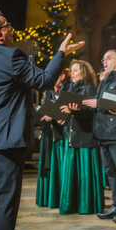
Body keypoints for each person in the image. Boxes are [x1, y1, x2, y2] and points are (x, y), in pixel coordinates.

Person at [0, 8, 84, 230]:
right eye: (8, 25)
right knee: (5, 202)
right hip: (5, 142)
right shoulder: (11, 57)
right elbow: (46, 80)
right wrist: (61, 52)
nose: (12, 30)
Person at [82, 49, 116, 224]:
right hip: (103, 131)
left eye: (109, 58)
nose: (104, 61)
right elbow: (97, 103)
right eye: (103, 58)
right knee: (110, 171)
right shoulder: (106, 79)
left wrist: (99, 103)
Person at [58, 59, 104, 214]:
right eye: (71, 71)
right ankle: (71, 204)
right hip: (71, 136)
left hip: (84, 138)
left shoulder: (89, 89)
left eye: (75, 70)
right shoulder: (70, 90)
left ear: (83, 72)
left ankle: (86, 205)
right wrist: (63, 116)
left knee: (84, 176)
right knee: (71, 176)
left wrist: (74, 112)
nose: (72, 73)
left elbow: (92, 114)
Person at [36, 70, 69, 208]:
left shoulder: (66, 89)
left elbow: (66, 110)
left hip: (59, 133)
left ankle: (57, 198)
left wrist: (54, 116)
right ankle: (46, 198)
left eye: (57, 76)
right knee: (46, 162)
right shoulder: (48, 91)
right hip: (47, 132)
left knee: (57, 164)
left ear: (62, 76)